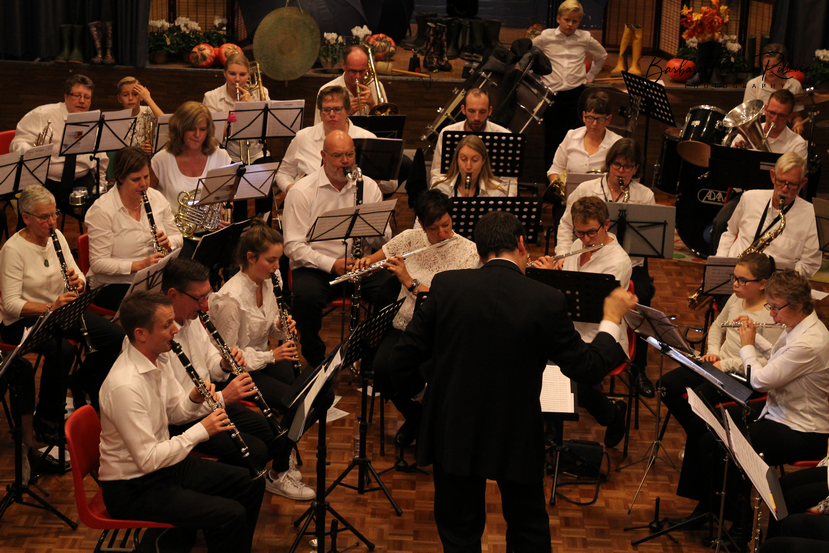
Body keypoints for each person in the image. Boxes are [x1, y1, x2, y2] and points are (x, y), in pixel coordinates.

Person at [387, 210, 635, 552]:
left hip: (453, 428)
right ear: (521, 244)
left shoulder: (446, 286)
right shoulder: (546, 300)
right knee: (527, 529)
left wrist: (425, 398)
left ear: (479, 251)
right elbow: (588, 368)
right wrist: (611, 319)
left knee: (459, 533)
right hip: (515, 431)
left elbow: (400, 360)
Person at [98, 291, 265, 553]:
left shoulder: (158, 357)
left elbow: (176, 413)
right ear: (141, 334)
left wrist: (194, 399)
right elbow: (147, 459)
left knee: (251, 482)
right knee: (229, 515)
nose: (176, 329)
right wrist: (202, 430)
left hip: (164, 466)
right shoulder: (125, 387)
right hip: (133, 487)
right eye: (167, 325)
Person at [675, 270, 829, 534]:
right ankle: (708, 506)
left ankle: (741, 523)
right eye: (770, 307)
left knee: (722, 446)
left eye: (776, 307)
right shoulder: (798, 326)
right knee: (703, 426)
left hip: (802, 429)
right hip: (780, 411)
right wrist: (754, 336)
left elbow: (759, 381)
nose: (772, 314)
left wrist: (746, 344)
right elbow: (778, 358)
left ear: (799, 305)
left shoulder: (810, 342)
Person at [161, 258, 312, 500]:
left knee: (274, 436)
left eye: (207, 296)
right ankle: (225, 488)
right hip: (185, 421)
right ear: (173, 295)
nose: (205, 305)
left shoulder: (192, 318)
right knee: (257, 450)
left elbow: (211, 363)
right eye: (198, 298)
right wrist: (224, 397)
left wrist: (224, 363)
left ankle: (237, 482)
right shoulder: (159, 339)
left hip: (210, 403)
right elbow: (174, 413)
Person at [352, 190, 480, 447]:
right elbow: (374, 261)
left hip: (441, 331)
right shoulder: (410, 238)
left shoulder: (469, 252)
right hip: (404, 325)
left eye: (446, 225)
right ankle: (418, 419)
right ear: (421, 224)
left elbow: (448, 301)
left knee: (420, 372)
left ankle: (430, 420)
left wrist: (408, 280)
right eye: (434, 228)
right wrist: (363, 266)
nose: (442, 233)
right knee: (381, 369)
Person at [0, 185, 125, 438]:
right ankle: (46, 420)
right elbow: (10, 304)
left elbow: (76, 272)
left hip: (60, 310)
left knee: (116, 337)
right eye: (44, 217)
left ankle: (81, 382)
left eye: (54, 214)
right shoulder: (12, 250)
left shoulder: (56, 236)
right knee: (63, 350)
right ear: (26, 218)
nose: (52, 222)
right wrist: (50, 307)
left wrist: (79, 282)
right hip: (23, 320)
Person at [660, 253, 781, 509]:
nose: (735, 284)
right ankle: (702, 437)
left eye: (742, 280)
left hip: (742, 376)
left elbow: (762, 360)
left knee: (699, 404)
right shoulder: (735, 299)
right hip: (718, 364)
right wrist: (713, 352)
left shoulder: (771, 315)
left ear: (762, 284)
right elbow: (716, 327)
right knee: (667, 385)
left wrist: (724, 364)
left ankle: (706, 488)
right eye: (734, 278)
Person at [210, 220, 314, 497]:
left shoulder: (269, 281)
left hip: (264, 359)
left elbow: (270, 327)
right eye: (271, 260)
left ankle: (284, 448)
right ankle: (278, 471)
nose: (277, 267)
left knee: (318, 392)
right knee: (297, 403)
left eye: (279, 260)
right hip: (238, 372)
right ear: (251, 258)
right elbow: (229, 357)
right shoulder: (230, 299)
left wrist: (282, 326)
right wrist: (272, 355)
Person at [283, 130, 393, 368]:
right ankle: (317, 362)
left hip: (361, 264)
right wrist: (332, 264)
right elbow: (293, 246)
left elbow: (384, 242)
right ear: (323, 156)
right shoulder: (302, 191)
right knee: (305, 299)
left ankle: (369, 356)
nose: (345, 161)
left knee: (392, 291)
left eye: (350, 154)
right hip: (317, 266)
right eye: (337, 156)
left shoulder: (368, 187)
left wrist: (376, 229)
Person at [555, 138, 656, 395]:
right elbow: (566, 225)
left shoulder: (644, 195)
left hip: (625, 262)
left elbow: (649, 241)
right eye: (617, 165)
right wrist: (560, 260)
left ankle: (638, 368)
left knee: (642, 296)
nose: (621, 171)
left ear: (635, 169)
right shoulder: (586, 191)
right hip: (586, 264)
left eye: (627, 167)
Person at [534, 196, 631, 447]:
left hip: (604, 335)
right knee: (540, 361)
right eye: (580, 233)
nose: (585, 240)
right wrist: (549, 276)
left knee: (572, 374)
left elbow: (597, 309)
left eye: (591, 233)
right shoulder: (577, 246)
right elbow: (570, 296)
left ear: (606, 225)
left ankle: (612, 415)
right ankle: (552, 428)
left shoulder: (618, 262)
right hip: (572, 329)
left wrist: (555, 281)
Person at [86, 147, 182, 311]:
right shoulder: (102, 211)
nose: (144, 184)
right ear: (120, 178)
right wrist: (140, 265)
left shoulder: (156, 198)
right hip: (113, 284)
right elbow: (98, 263)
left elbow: (177, 237)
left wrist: (168, 243)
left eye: (146, 176)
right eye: (136, 179)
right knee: (154, 309)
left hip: (154, 277)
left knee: (186, 294)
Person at [10, 74, 109, 215]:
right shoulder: (42, 114)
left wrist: (101, 186)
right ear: (66, 97)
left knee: (99, 210)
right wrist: (32, 153)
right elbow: (18, 141)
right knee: (34, 214)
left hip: (79, 179)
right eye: (77, 95)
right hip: (45, 179)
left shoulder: (92, 121)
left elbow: (101, 158)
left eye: (87, 97)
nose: (82, 101)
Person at [716, 152, 820, 278]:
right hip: (734, 277)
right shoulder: (749, 198)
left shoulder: (812, 215)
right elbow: (731, 232)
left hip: (776, 285)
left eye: (792, 184)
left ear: (802, 183)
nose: (784, 189)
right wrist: (720, 265)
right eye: (781, 181)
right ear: (772, 176)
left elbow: (809, 265)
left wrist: (778, 280)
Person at [532, 0, 607, 169]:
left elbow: (601, 55)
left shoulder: (584, 38)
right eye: (567, 20)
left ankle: (572, 177)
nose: (570, 24)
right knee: (552, 138)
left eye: (575, 21)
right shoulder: (546, 37)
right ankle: (552, 180)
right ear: (558, 18)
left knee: (575, 138)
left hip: (576, 95)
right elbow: (529, 53)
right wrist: (536, 76)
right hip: (552, 96)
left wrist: (591, 75)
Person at [276, 86, 376, 195]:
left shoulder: (367, 138)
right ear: (320, 113)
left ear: (347, 111)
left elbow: (387, 185)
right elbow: (283, 173)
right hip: (309, 202)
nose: (332, 114)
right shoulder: (302, 137)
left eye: (337, 109)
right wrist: (293, 191)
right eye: (326, 110)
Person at [150, 101, 233, 216]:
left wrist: (226, 214)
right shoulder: (161, 160)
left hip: (214, 226)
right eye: (191, 129)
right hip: (172, 227)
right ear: (180, 129)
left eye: (202, 129)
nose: (197, 135)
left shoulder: (221, 156)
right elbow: (148, 199)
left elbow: (228, 198)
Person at [430, 88, 510, 186]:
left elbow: (509, 182)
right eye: (472, 111)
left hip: (491, 192)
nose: (476, 117)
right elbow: (437, 173)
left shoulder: (503, 136)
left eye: (482, 112)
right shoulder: (448, 133)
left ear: (490, 111)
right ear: (463, 109)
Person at [202, 53, 270, 164]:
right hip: (226, 156)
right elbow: (212, 137)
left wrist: (252, 107)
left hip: (257, 155)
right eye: (232, 74)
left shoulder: (261, 92)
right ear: (224, 73)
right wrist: (238, 113)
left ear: (248, 75)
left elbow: (268, 129)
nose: (237, 79)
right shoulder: (211, 97)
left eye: (242, 74)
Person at [546, 91, 621, 182]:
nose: (594, 124)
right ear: (584, 116)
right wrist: (562, 188)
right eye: (590, 118)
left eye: (600, 119)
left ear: (608, 119)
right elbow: (555, 170)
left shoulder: (617, 143)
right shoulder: (571, 136)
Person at [313, 44, 388, 125]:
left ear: (367, 67)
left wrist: (372, 105)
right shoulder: (327, 90)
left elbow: (386, 124)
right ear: (344, 65)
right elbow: (319, 128)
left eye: (362, 71)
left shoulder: (376, 86)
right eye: (353, 71)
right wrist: (346, 113)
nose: (357, 76)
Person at [743, 43, 804, 134]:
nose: (769, 71)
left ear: (785, 65)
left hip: (784, 132)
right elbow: (747, 117)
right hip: (760, 132)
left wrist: (798, 123)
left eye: (774, 66)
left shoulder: (795, 85)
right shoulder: (753, 85)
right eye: (766, 66)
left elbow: (796, 115)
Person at [430, 134, 516, 197]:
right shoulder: (440, 188)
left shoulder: (496, 192)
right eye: (463, 159)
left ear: (483, 161)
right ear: (457, 159)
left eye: (475, 160)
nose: (468, 166)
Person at [732, 89, 808, 159]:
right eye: (772, 113)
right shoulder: (745, 135)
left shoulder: (797, 145)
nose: (774, 119)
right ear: (765, 109)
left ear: (789, 117)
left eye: (781, 115)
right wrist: (734, 154)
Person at [115, 77, 163, 154]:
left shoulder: (148, 111)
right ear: (119, 99)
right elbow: (119, 152)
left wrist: (148, 99)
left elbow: (166, 123)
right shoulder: (116, 120)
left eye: (135, 94)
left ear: (141, 96)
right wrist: (139, 151)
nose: (130, 98)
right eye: (125, 95)